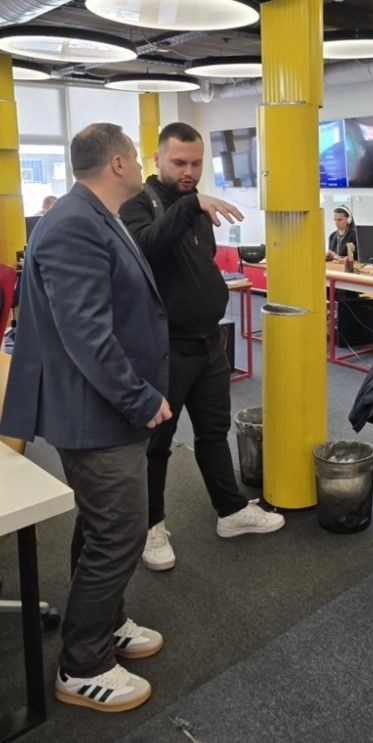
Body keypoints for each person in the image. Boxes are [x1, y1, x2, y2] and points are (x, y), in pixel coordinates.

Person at [0, 123, 172, 712]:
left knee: (103, 526)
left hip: (102, 408)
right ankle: (83, 665)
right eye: (136, 156)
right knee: (120, 531)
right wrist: (140, 397)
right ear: (118, 164)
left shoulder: (94, 215)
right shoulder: (75, 223)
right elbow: (88, 337)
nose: (142, 165)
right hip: (95, 411)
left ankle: (105, 622)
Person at [120, 122, 284, 572]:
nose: (189, 171)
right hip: (165, 348)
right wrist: (191, 204)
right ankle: (151, 526)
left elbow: (198, 261)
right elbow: (146, 247)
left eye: (196, 163)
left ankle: (230, 511)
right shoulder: (137, 204)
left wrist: (193, 206)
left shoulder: (196, 206)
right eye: (179, 162)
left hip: (209, 340)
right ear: (158, 159)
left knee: (213, 431)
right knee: (157, 443)